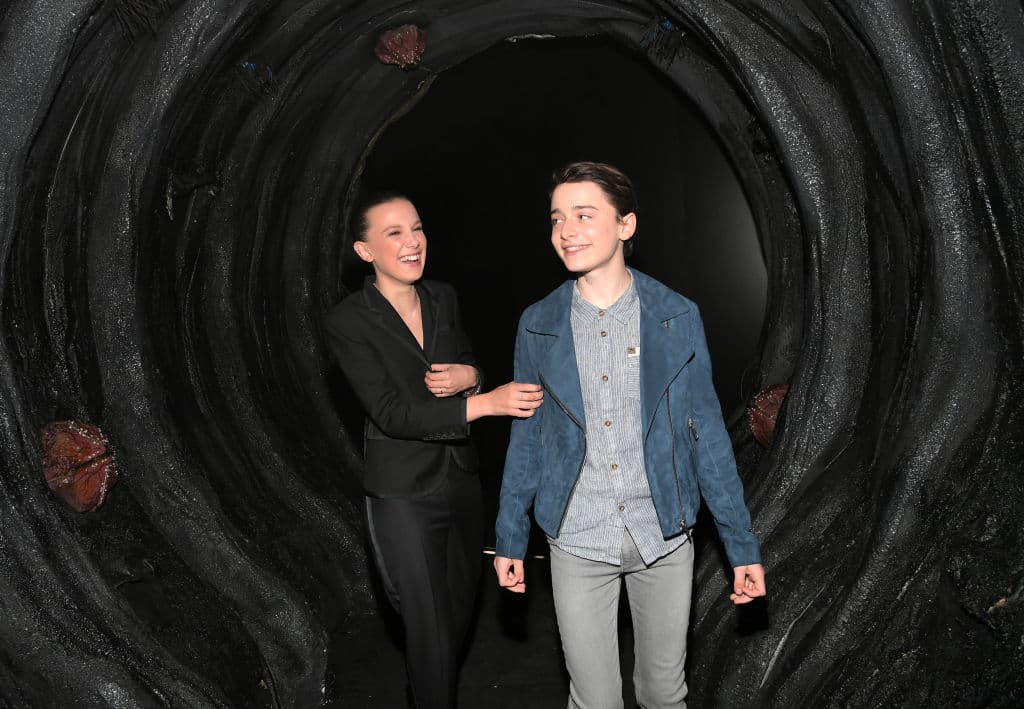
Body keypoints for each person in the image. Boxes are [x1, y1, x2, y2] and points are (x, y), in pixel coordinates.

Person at [493, 162, 766, 708]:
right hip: (576, 537)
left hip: (662, 536)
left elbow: (708, 436)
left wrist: (741, 547)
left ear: (626, 224)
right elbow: (528, 439)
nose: (566, 230)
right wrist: (509, 536)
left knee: (663, 694)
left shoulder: (676, 315)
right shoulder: (537, 323)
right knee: (595, 701)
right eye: (557, 218)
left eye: (584, 215)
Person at [324, 192, 543, 708]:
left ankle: (423, 691)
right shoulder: (348, 321)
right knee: (429, 628)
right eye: (394, 233)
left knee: (459, 613)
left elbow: (468, 363)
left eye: (417, 228)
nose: (412, 241)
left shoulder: (443, 297)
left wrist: (472, 376)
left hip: (460, 478)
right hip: (402, 493)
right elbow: (393, 414)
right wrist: (487, 402)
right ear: (365, 251)